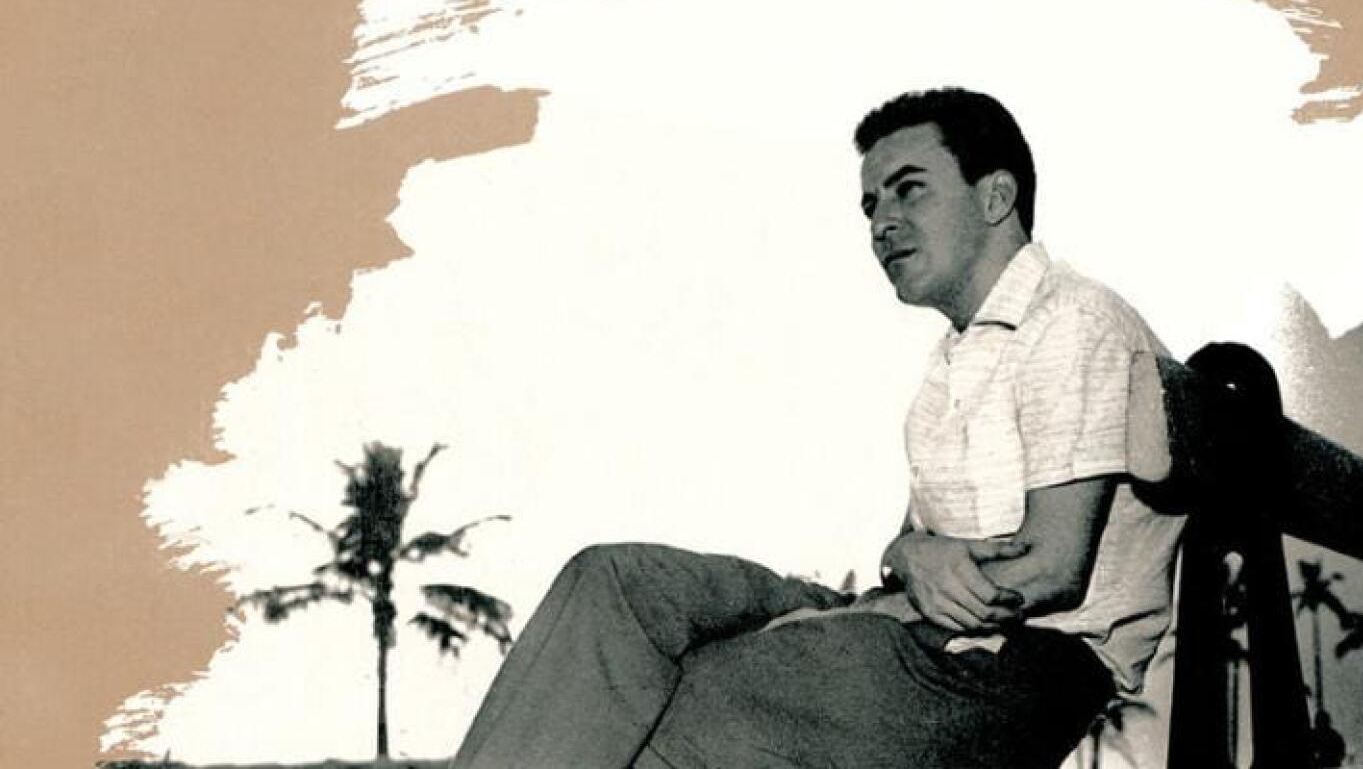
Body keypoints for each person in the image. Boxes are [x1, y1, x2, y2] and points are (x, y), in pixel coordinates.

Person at [452, 88, 1185, 768]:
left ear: (996, 196)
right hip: (908, 621)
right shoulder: (954, 360)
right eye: (870, 205)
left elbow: (1051, 569)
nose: (881, 223)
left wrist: (847, 610)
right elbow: (914, 551)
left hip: (1013, 665)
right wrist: (903, 555)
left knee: (693, 690)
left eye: (909, 189)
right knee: (617, 582)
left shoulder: (1070, 321)